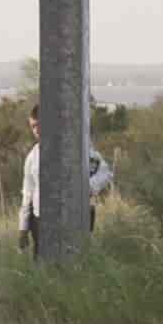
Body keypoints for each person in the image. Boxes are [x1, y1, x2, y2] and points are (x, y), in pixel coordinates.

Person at [18, 109, 113, 258]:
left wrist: (86, 188)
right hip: (41, 221)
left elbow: (104, 173)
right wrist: (23, 228)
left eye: (40, 125)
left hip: (73, 218)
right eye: (33, 126)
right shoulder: (33, 156)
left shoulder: (76, 148)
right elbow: (27, 193)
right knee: (44, 270)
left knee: (73, 265)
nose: (36, 130)